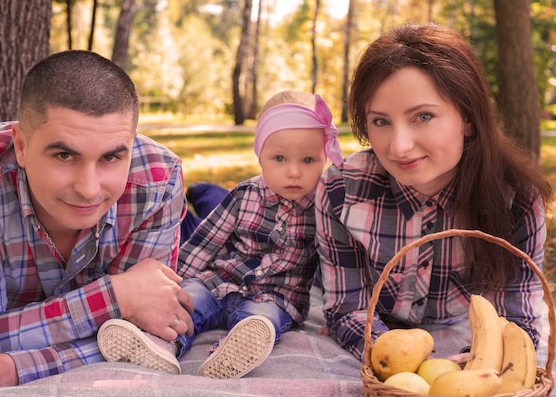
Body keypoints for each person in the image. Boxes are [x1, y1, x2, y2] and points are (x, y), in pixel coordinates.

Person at [0, 50, 195, 389]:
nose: (88, 188)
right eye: (64, 155)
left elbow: (147, 335)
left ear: (131, 144)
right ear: (22, 146)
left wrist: (4, 370)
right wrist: (117, 297)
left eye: (111, 157)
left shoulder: (158, 182)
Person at [315, 23, 553, 362]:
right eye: (381, 121)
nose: (399, 147)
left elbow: (518, 322)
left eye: (422, 116)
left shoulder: (516, 201)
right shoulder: (341, 189)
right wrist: (401, 362)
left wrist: (472, 366)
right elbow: (346, 308)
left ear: (468, 117)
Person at [97, 90, 344, 379]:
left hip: (277, 297)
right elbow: (205, 243)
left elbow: (334, 265)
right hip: (221, 281)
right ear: (260, 156)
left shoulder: (324, 208)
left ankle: (233, 352)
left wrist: (336, 317)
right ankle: (161, 345)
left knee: (261, 320)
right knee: (187, 301)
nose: (293, 172)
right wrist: (172, 286)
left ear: (324, 159)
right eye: (279, 158)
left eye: (307, 160)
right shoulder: (245, 195)